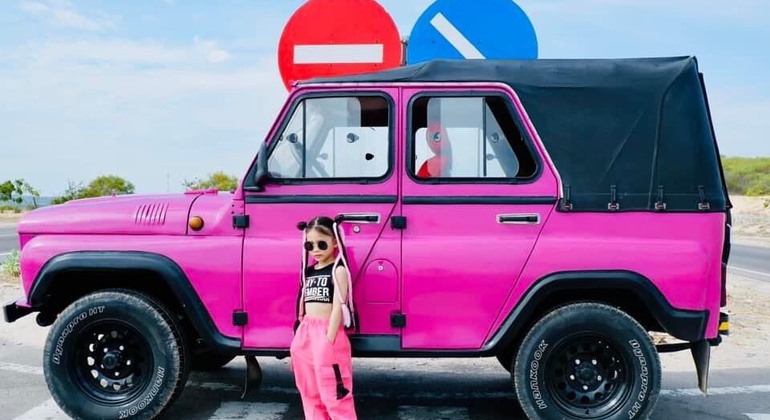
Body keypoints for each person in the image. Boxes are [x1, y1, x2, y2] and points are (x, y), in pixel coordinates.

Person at [290, 216, 357, 420]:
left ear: (335, 242)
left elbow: (339, 307)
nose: (316, 249)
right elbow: (303, 303)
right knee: (309, 392)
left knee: (334, 392)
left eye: (322, 243)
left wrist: (329, 339)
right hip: (306, 333)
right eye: (310, 245)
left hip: (328, 333)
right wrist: (297, 341)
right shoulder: (308, 271)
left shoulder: (339, 270)